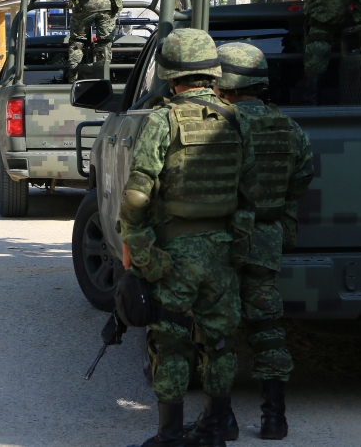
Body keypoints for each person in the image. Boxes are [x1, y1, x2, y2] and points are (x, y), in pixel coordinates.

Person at [121, 29, 260, 447]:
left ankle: (169, 435)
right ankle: (216, 427)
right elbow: (250, 192)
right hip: (220, 251)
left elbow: (136, 194)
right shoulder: (236, 121)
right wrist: (237, 246)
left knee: (171, 340)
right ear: (213, 74)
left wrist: (139, 247)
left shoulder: (162, 120)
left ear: (171, 75)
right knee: (219, 342)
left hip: (173, 255)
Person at [202, 43, 314, 441]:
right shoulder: (287, 126)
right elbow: (303, 177)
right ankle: (274, 418)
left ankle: (223, 420)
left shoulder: (216, 124)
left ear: (224, 82)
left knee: (218, 329)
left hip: (220, 238)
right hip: (266, 238)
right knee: (267, 326)